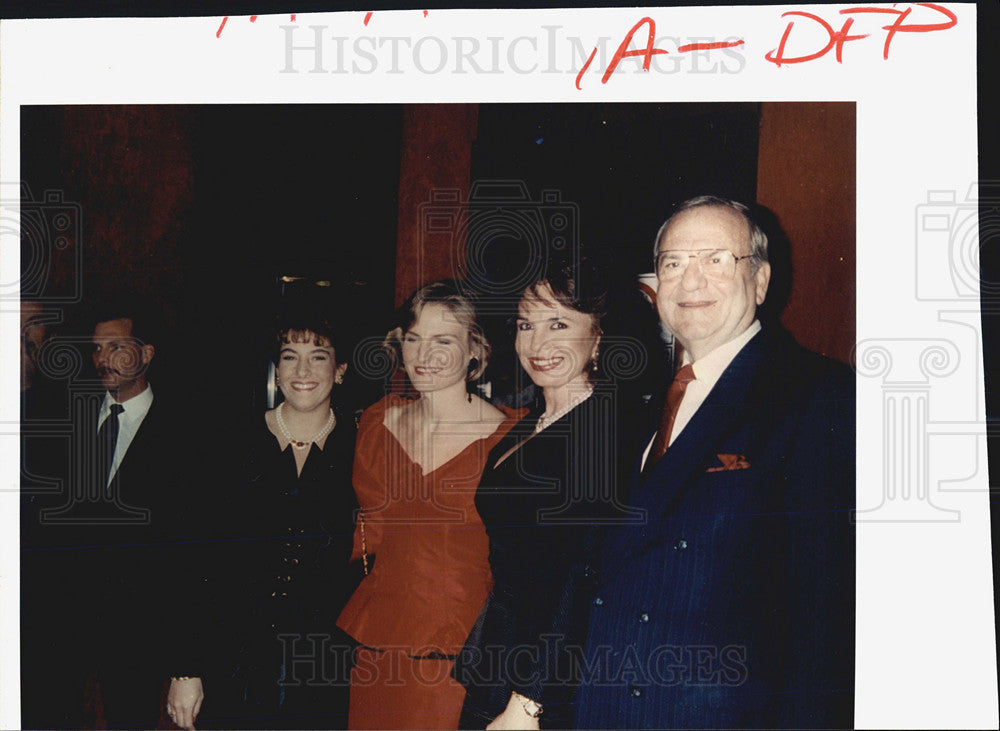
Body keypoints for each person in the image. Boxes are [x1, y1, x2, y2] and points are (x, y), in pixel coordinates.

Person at [575, 196, 855, 729]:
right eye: (672, 263)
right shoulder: (632, 401)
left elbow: (827, 611)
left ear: (762, 281)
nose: (690, 281)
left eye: (715, 259)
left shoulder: (818, 395)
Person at [455, 256, 641, 730]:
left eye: (559, 323)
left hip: (548, 682)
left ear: (599, 336)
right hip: (503, 657)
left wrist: (529, 703)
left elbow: (583, 577)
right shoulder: (534, 422)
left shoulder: (605, 430)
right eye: (525, 324)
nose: (537, 343)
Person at [336, 280, 523, 730]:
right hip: (377, 656)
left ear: (475, 351)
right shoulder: (377, 422)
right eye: (413, 340)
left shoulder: (514, 440)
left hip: (460, 663)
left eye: (443, 341)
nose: (423, 355)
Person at [20, 297, 204, 729]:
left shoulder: (186, 434)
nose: (103, 359)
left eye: (116, 346)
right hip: (59, 627)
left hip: (137, 632)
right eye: (97, 348)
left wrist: (185, 656)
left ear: (147, 353)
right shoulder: (68, 419)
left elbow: (190, 554)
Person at [208, 312, 362, 729]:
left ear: (341, 370)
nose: (303, 371)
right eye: (290, 356)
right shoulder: (230, 442)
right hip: (234, 656)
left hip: (326, 665)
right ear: (276, 369)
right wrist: (187, 669)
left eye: (319, 356)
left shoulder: (363, 446)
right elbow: (197, 562)